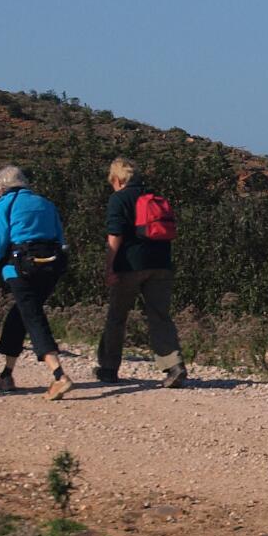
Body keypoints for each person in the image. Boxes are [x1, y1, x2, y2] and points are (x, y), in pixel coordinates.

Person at [0, 166, 74, 400]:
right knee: (21, 315)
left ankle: (59, 376)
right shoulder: (46, 204)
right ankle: (6, 375)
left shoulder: (3, 206)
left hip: (20, 269)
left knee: (33, 317)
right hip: (51, 268)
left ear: (1, 188)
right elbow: (60, 237)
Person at [98, 157, 186, 387]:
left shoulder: (119, 199)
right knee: (160, 316)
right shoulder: (155, 198)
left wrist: (109, 266)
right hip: (161, 264)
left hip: (130, 266)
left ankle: (108, 368)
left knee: (117, 317)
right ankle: (174, 365)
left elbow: (115, 235)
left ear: (117, 179)